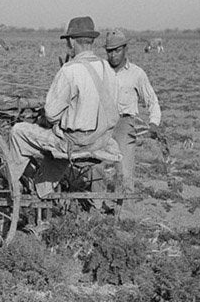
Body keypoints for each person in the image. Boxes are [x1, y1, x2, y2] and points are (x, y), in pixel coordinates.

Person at [8, 16, 120, 196]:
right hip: (102, 140)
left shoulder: (69, 70)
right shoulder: (109, 69)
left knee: (18, 132)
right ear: (91, 40)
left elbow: (51, 114)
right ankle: (42, 187)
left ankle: (11, 188)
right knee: (56, 136)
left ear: (71, 41)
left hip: (74, 144)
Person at [104, 28, 162, 194]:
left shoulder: (137, 73)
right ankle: (96, 208)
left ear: (125, 49)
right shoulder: (101, 72)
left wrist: (154, 123)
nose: (113, 55)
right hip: (102, 124)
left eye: (117, 50)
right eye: (109, 51)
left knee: (124, 170)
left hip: (124, 124)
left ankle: (124, 211)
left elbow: (152, 100)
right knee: (96, 168)